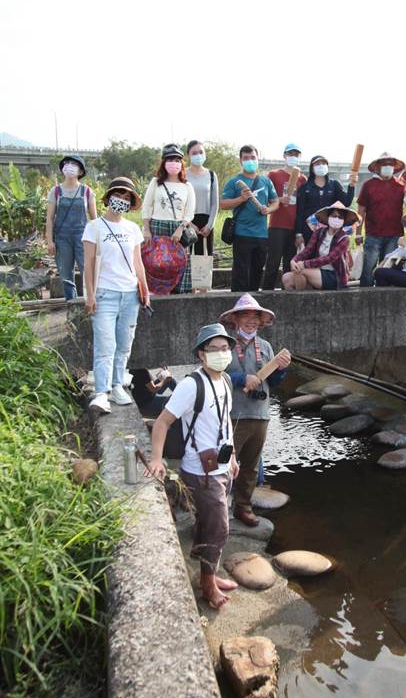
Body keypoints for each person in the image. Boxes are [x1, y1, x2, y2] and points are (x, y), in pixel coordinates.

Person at [147, 323, 240, 611]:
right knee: (220, 527)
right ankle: (208, 584)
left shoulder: (224, 380)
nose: (222, 354)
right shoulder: (191, 385)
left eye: (225, 348)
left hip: (222, 467)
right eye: (215, 350)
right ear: (201, 354)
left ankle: (208, 575)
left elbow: (225, 424)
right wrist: (156, 458)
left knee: (210, 524)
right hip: (200, 473)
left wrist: (233, 456)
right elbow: (163, 422)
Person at [220, 295, 291, 526]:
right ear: (236, 319)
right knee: (224, 464)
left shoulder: (267, 347)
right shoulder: (226, 345)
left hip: (261, 414)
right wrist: (242, 378)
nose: (251, 321)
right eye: (246, 316)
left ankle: (243, 507)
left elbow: (274, 382)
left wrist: (281, 369)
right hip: (233, 414)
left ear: (261, 321)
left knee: (250, 466)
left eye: (255, 317)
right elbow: (217, 376)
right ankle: (217, 508)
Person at [82, 177, 150, 413]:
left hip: (130, 294)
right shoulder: (94, 227)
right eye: (117, 196)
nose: (120, 201)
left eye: (126, 198)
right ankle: (102, 393)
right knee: (105, 344)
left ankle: (118, 384)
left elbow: (138, 262)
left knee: (124, 344)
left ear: (130, 203)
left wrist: (145, 289)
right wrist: (90, 295)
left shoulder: (132, 228)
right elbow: (88, 263)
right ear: (108, 198)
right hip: (104, 294)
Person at [220, 145, 279, 292]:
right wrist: (241, 198)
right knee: (240, 273)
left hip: (261, 235)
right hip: (242, 234)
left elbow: (275, 202)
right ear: (240, 161)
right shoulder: (234, 182)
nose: (250, 161)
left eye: (253, 158)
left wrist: (268, 209)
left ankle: (252, 307)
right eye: (246, 158)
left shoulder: (266, 181)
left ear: (258, 159)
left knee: (257, 271)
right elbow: (223, 204)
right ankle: (238, 306)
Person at [142, 144, 196, 293]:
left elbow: (190, 212)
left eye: (178, 160)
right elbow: (147, 206)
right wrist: (146, 229)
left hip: (178, 231)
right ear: (164, 163)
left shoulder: (187, 186)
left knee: (178, 265)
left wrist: (180, 229)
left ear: (182, 164)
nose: (174, 163)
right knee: (155, 263)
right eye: (170, 160)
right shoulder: (156, 183)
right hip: (157, 226)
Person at [45, 153, 97, 300]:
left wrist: (97, 241)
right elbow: (49, 219)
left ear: (81, 171)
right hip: (62, 238)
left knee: (88, 270)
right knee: (66, 275)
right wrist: (50, 241)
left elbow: (94, 220)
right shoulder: (55, 192)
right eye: (67, 163)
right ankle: (72, 307)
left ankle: (91, 304)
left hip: (83, 237)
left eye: (74, 164)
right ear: (62, 169)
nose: (70, 166)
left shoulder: (87, 192)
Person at [282, 201, 359, 291]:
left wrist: (304, 264)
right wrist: (294, 260)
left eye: (340, 217)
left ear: (343, 221)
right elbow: (307, 250)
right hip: (317, 271)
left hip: (334, 275)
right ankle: (300, 299)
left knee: (301, 271)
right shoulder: (319, 232)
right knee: (286, 278)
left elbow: (329, 258)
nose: (337, 219)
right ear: (328, 218)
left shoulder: (344, 238)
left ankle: (301, 301)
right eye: (334, 216)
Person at [356, 152, 406, 287]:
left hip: (394, 235)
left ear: (395, 168)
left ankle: (384, 296)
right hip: (373, 235)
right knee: (368, 269)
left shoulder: (401, 186)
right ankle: (365, 296)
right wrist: (358, 233)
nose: (387, 167)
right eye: (384, 164)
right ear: (377, 167)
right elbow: (361, 210)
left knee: (387, 269)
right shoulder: (368, 185)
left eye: (390, 164)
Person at [262, 143, 307, 290]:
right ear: (284, 156)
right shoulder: (274, 175)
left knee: (290, 263)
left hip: (294, 226)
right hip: (277, 225)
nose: (293, 157)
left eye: (296, 154)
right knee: (273, 262)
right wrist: (281, 200)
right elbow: (266, 197)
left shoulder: (302, 179)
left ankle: (286, 294)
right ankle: (267, 292)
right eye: (290, 154)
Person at [295, 155, 355, 246]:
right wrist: (299, 234)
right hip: (308, 230)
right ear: (312, 168)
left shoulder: (334, 185)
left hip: (329, 230)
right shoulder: (305, 187)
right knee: (309, 258)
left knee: (326, 258)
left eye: (323, 163)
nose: (321, 166)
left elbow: (346, 203)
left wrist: (351, 186)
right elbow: (300, 211)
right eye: (317, 164)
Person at [186, 140, 218, 256]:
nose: (198, 155)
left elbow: (215, 204)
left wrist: (209, 226)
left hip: (206, 224)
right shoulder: (182, 175)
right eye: (194, 153)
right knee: (187, 260)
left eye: (200, 152)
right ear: (188, 155)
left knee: (204, 262)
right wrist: (189, 224)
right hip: (187, 222)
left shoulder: (211, 175)